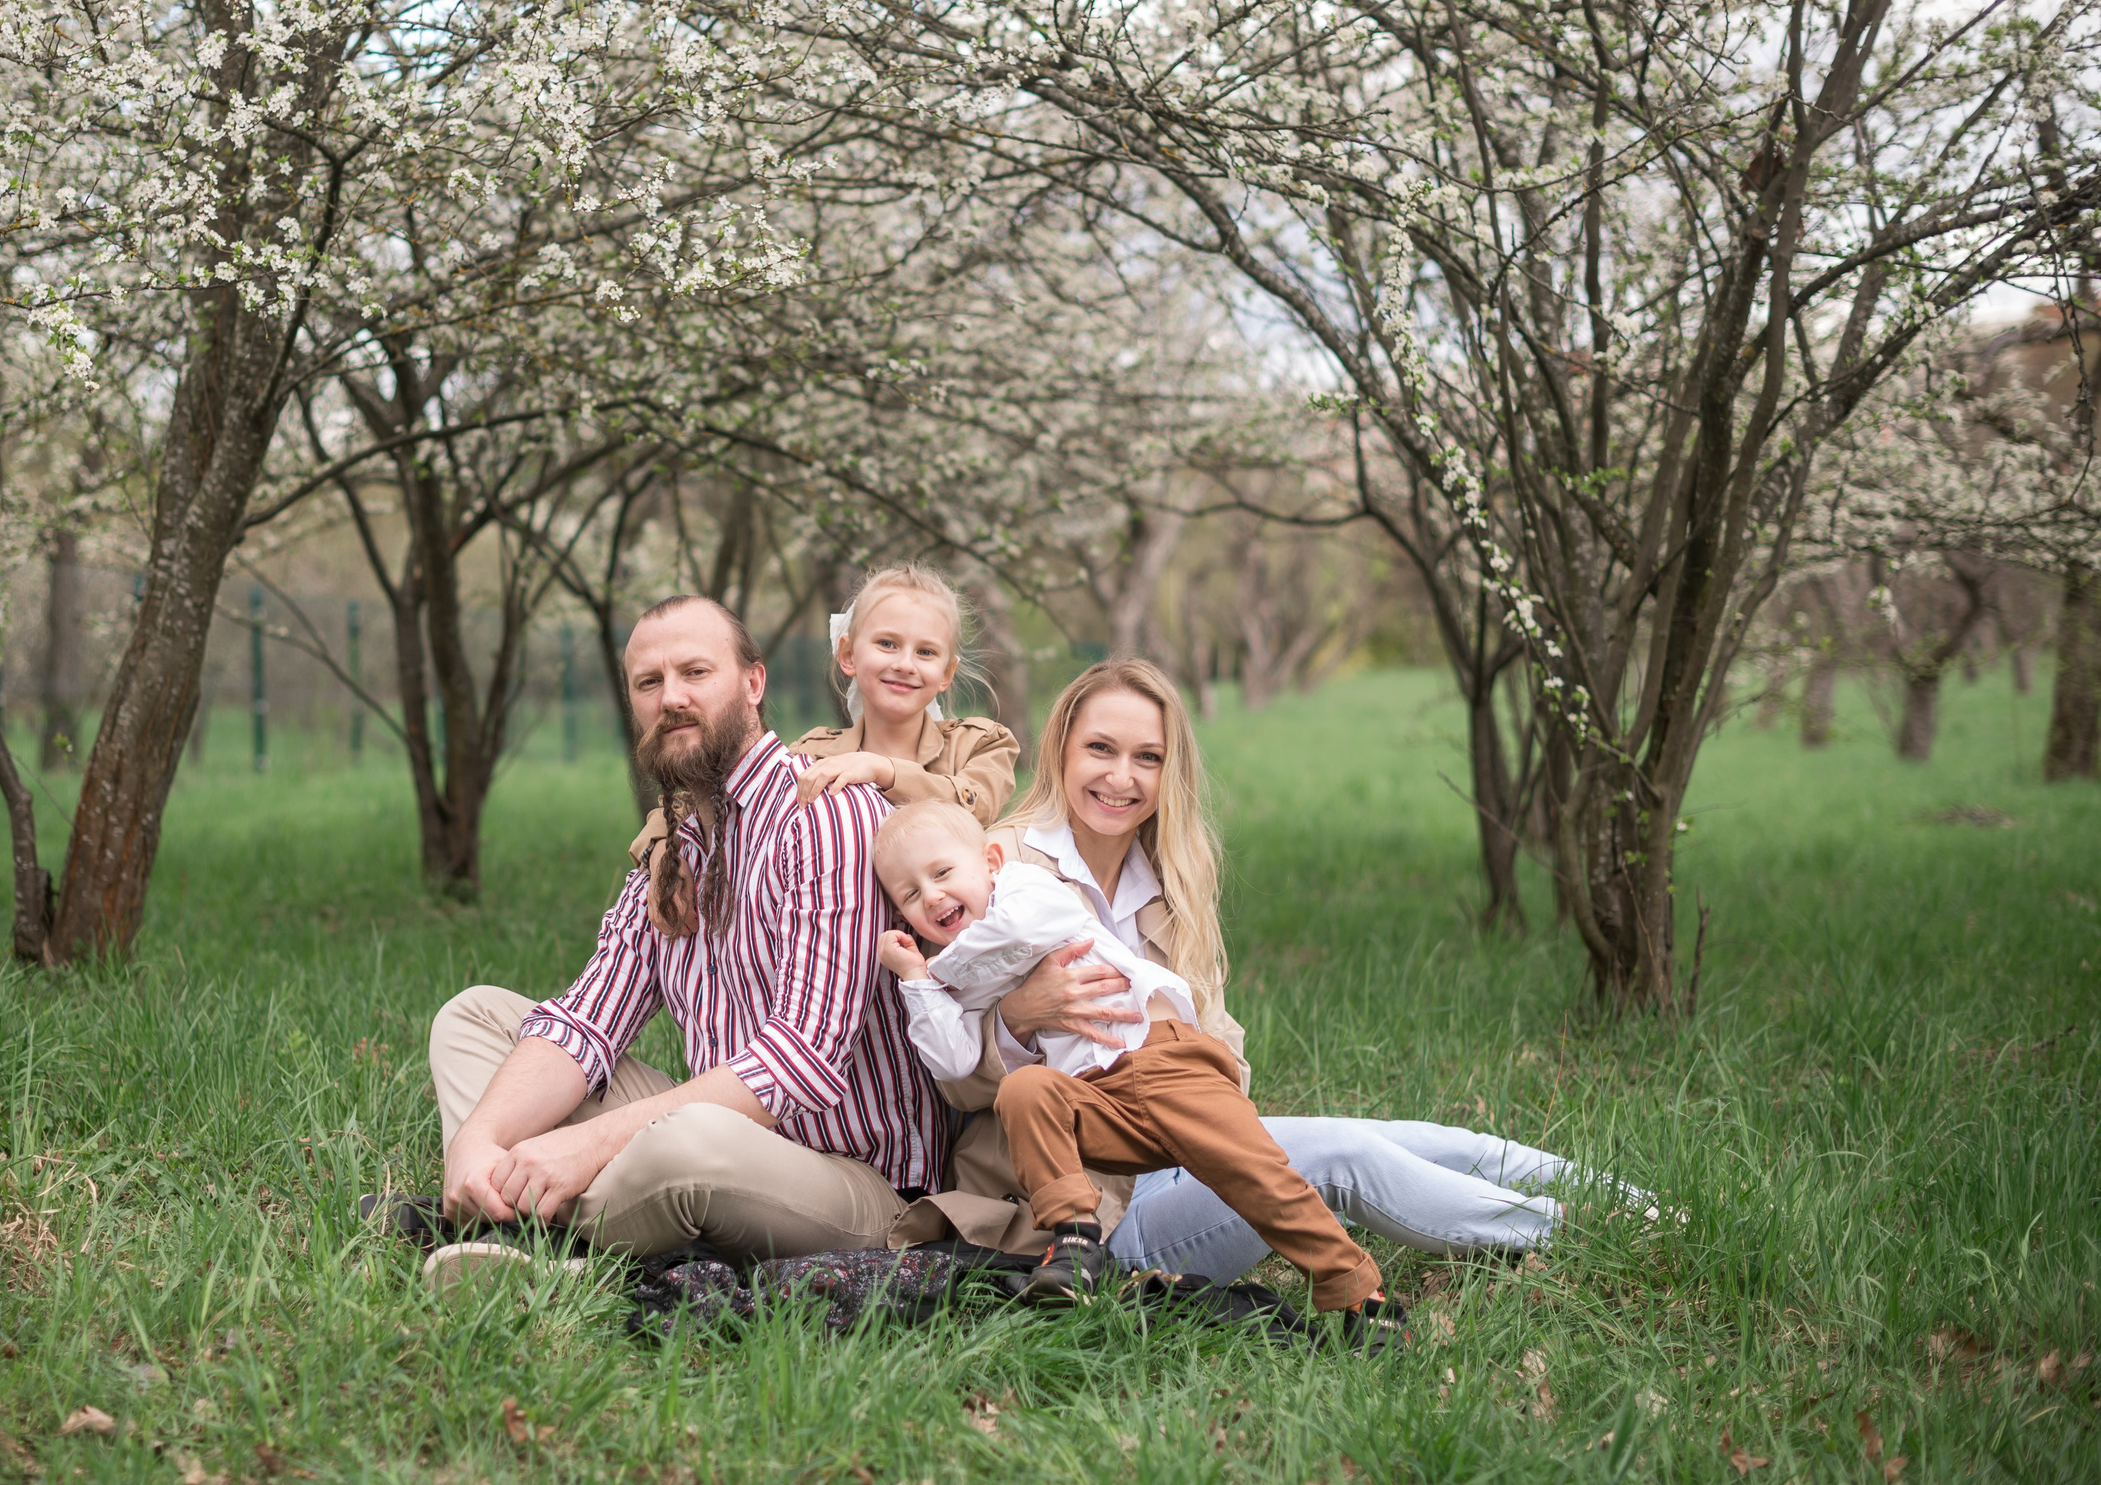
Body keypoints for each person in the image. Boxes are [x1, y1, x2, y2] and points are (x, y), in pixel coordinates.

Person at [895, 657, 1626, 1288]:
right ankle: (1565, 1228)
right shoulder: (994, 869)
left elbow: (1220, 1038)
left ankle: (1629, 1207)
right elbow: (952, 1077)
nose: (1122, 776)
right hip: (1089, 1217)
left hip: (1176, 1146)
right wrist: (1022, 1016)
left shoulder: (1172, 875)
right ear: (1061, 749)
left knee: (1398, 1135)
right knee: (1341, 1157)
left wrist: (1216, 1126)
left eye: (1148, 757)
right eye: (1100, 748)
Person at [424, 595, 941, 1284]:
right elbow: (587, 1021)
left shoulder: (826, 814)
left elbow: (804, 1060)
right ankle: (510, 1197)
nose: (671, 698)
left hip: (860, 1187)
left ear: (752, 683)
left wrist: (590, 1143)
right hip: (719, 1141)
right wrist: (475, 1138)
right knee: (474, 1019)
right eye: (649, 682)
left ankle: (545, 1241)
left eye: (695, 672)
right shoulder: (674, 848)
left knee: (689, 1140)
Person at [872, 800, 1401, 1339]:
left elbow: (1023, 932)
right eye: (910, 895)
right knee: (1025, 1090)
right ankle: (1075, 1243)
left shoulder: (1024, 890)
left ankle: (1366, 1301)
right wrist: (917, 979)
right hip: (1099, 1099)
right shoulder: (953, 975)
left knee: (1260, 1180)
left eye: (942, 873)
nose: (931, 896)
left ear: (990, 862)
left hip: (1166, 1065)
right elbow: (954, 1059)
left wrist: (942, 971)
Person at [626, 565, 1018, 928]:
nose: (905, 663)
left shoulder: (980, 742)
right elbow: (722, 798)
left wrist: (884, 770)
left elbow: (975, 805)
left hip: (955, 945)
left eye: (926, 652)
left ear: (947, 672)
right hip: (853, 947)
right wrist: (660, 850)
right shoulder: (815, 754)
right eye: (887, 644)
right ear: (848, 655)